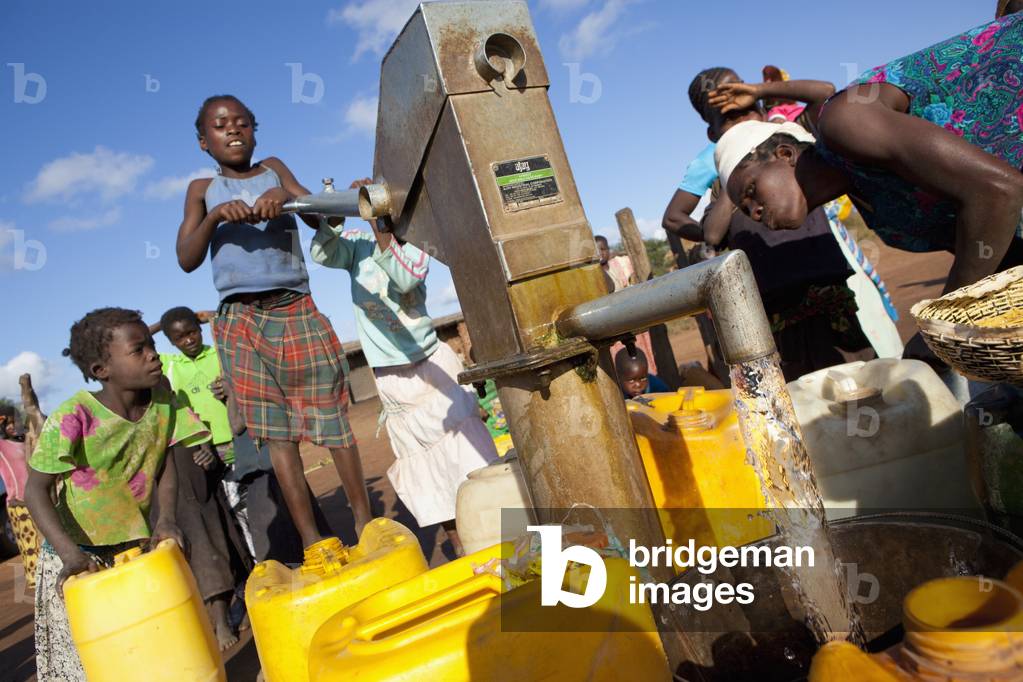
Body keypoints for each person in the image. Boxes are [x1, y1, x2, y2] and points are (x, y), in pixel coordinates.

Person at [711, 13, 1023, 362]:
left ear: (784, 153)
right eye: (746, 208)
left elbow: (998, 191)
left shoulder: (844, 122)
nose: (754, 210)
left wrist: (940, 326)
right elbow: (997, 249)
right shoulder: (882, 213)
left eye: (751, 189)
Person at [175, 94, 372, 549]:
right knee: (278, 435)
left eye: (243, 122)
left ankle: (365, 523)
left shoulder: (274, 168)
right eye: (221, 126)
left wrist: (287, 197)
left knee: (333, 420)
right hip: (240, 321)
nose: (234, 130)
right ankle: (313, 541)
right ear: (204, 141)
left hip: (295, 308)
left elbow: (320, 213)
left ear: (255, 130)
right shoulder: (201, 190)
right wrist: (216, 219)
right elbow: (187, 258)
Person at [310, 178, 499, 556]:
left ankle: (500, 536)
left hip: (431, 368)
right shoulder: (356, 247)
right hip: (395, 380)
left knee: (468, 457)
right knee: (430, 471)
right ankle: (462, 549)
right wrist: (335, 211)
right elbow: (322, 253)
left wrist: (381, 228)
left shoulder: (414, 248)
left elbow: (405, 278)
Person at [24, 308, 208, 681]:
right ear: (100, 370)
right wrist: (70, 557)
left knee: (141, 650)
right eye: (138, 349)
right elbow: (35, 491)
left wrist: (167, 519)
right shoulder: (76, 414)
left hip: (133, 551)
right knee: (88, 663)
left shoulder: (162, 402)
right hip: (79, 558)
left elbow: (166, 459)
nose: (153, 354)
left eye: (152, 346)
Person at [152, 305, 251, 649]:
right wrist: (153, 326)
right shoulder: (170, 365)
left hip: (228, 444)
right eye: (178, 337)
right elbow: (142, 350)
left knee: (242, 518)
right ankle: (230, 600)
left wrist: (210, 320)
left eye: (192, 331)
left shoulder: (217, 353)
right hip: (197, 458)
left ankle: (255, 582)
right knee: (216, 523)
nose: (188, 339)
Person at [1, 398, 41, 589]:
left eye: (12, 421)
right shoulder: (1, 447)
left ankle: (48, 575)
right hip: (18, 502)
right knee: (30, 545)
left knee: (43, 541)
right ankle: (36, 582)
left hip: (35, 498)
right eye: (6, 422)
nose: (11, 426)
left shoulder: (24, 440)